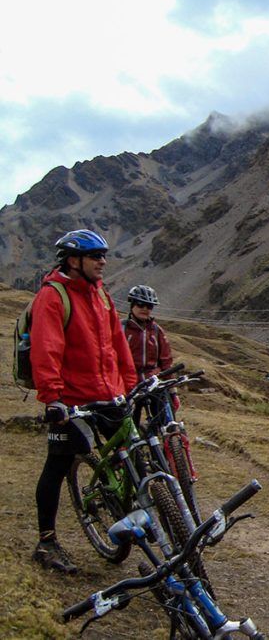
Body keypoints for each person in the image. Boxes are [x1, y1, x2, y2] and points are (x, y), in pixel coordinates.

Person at [30, 229, 138, 573]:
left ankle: (126, 515)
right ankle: (46, 541)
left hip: (109, 394)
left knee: (129, 456)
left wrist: (130, 384)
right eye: (95, 257)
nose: (103, 262)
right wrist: (52, 399)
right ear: (74, 261)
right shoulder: (53, 296)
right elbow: (46, 349)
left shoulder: (101, 294)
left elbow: (117, 343)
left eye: (104, 256)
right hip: (72, 400)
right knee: (57, 466)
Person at [123, 284, 173, 379]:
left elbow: (166, 362)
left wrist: (173, 392)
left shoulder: (157, 331)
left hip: (153, 384)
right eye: (140, 304)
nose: (145, 309)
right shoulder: (121, 328)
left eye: (149, 306)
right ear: (132, 304)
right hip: (127, 384)